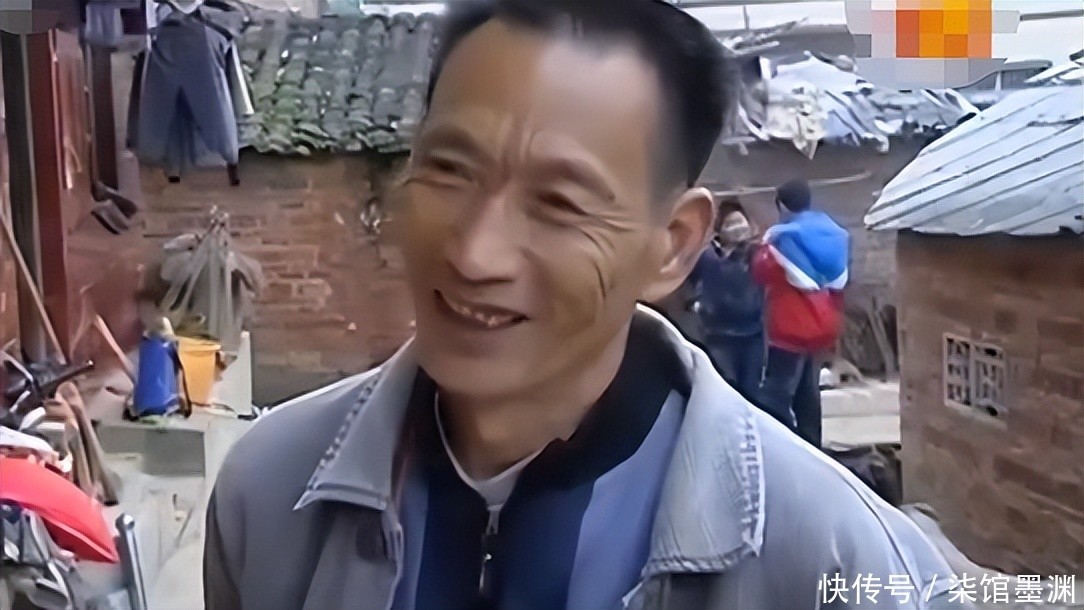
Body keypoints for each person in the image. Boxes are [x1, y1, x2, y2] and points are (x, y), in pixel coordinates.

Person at [203, 3, 963, 609]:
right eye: (450, 170)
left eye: (559, 204)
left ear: (672, 244)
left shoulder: (839, 560)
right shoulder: (267, 496)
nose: (475, 254)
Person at [752, 179, 849, 448]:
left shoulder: (781, 238)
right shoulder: (831, 235)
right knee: (808, 390)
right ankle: (811, 445)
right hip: (821, 323)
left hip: (790, 326)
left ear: (782, 206)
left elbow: (761, 272)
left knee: (776, 392)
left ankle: (780, 447)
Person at [687, 203, 765, 401]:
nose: (737, 228)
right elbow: (689, 281)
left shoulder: (757, 253)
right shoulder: (707, 257)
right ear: (719, 229)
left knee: (752, 391)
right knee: (726, 389)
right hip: (719, 335)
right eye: (730, 223)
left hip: (753, 332)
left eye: (740, 221)